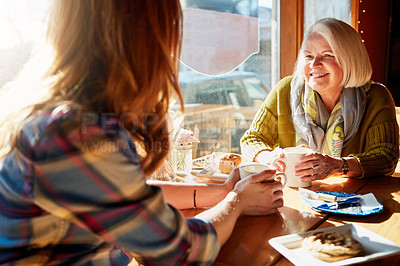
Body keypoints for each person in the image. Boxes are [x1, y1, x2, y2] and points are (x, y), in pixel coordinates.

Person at [0, 1, 284, 265]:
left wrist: (219, 192)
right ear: (144, 39)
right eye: (171, 28)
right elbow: (181, 251)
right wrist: (238, 201)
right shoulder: (74, 134)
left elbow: (133, 195)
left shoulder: (65, 119)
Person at [241, 18, 399, 181]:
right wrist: (268, 157)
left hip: (354, 199)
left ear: (350, 60)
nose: (314, 64)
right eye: (309, 56)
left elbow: (386, 157)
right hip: (293, 196)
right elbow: (251, 140)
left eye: (327, 55)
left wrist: (338, 166)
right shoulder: (286, 90)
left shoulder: (376, 96)